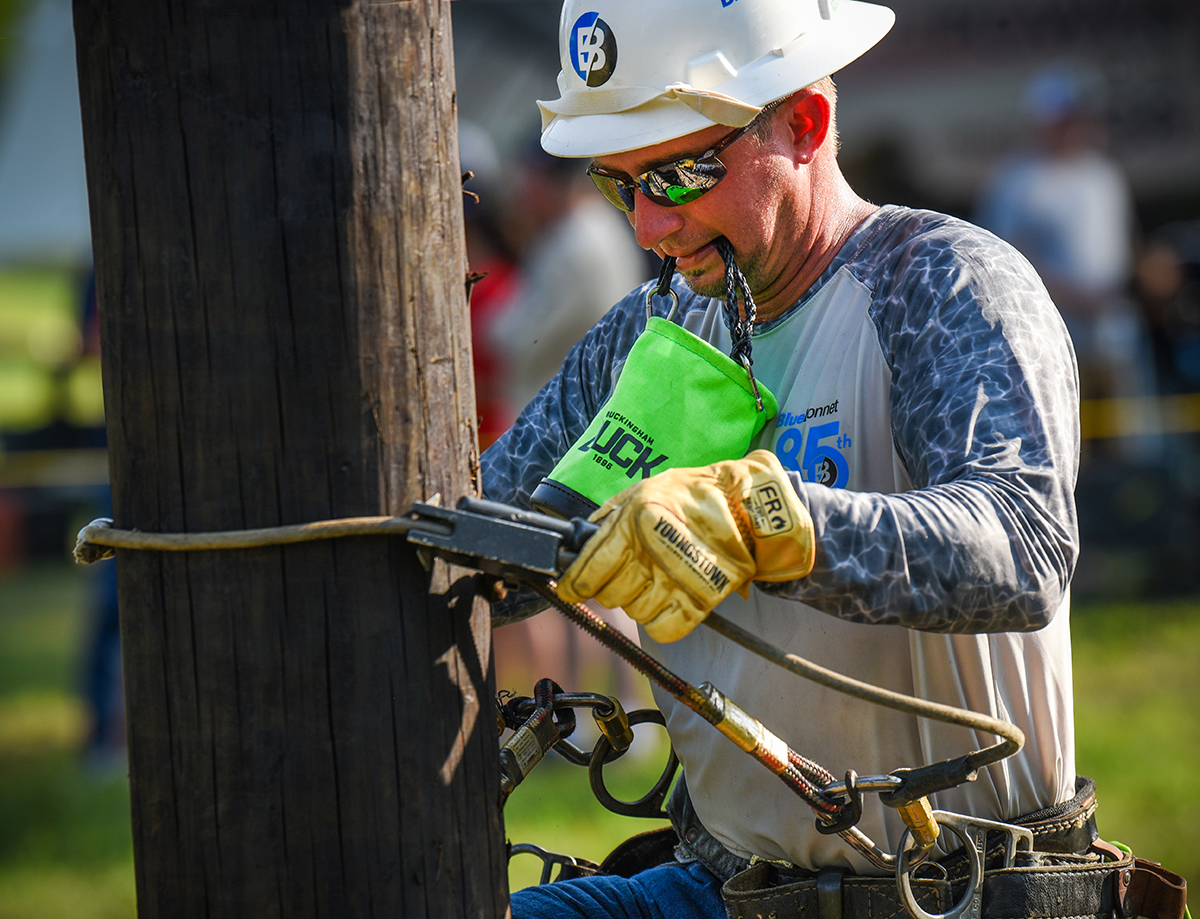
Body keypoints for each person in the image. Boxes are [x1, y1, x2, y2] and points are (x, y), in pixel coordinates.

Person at [481, 2, 1091, 917]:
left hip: (951, 891)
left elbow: (1023, 547)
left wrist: (766, 521)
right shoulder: (646, 334)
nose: (648, 226)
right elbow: (488, 543)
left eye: (680, 172)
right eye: (619, 185)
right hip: (722, 887)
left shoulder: (941, 280)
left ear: (804, 124)